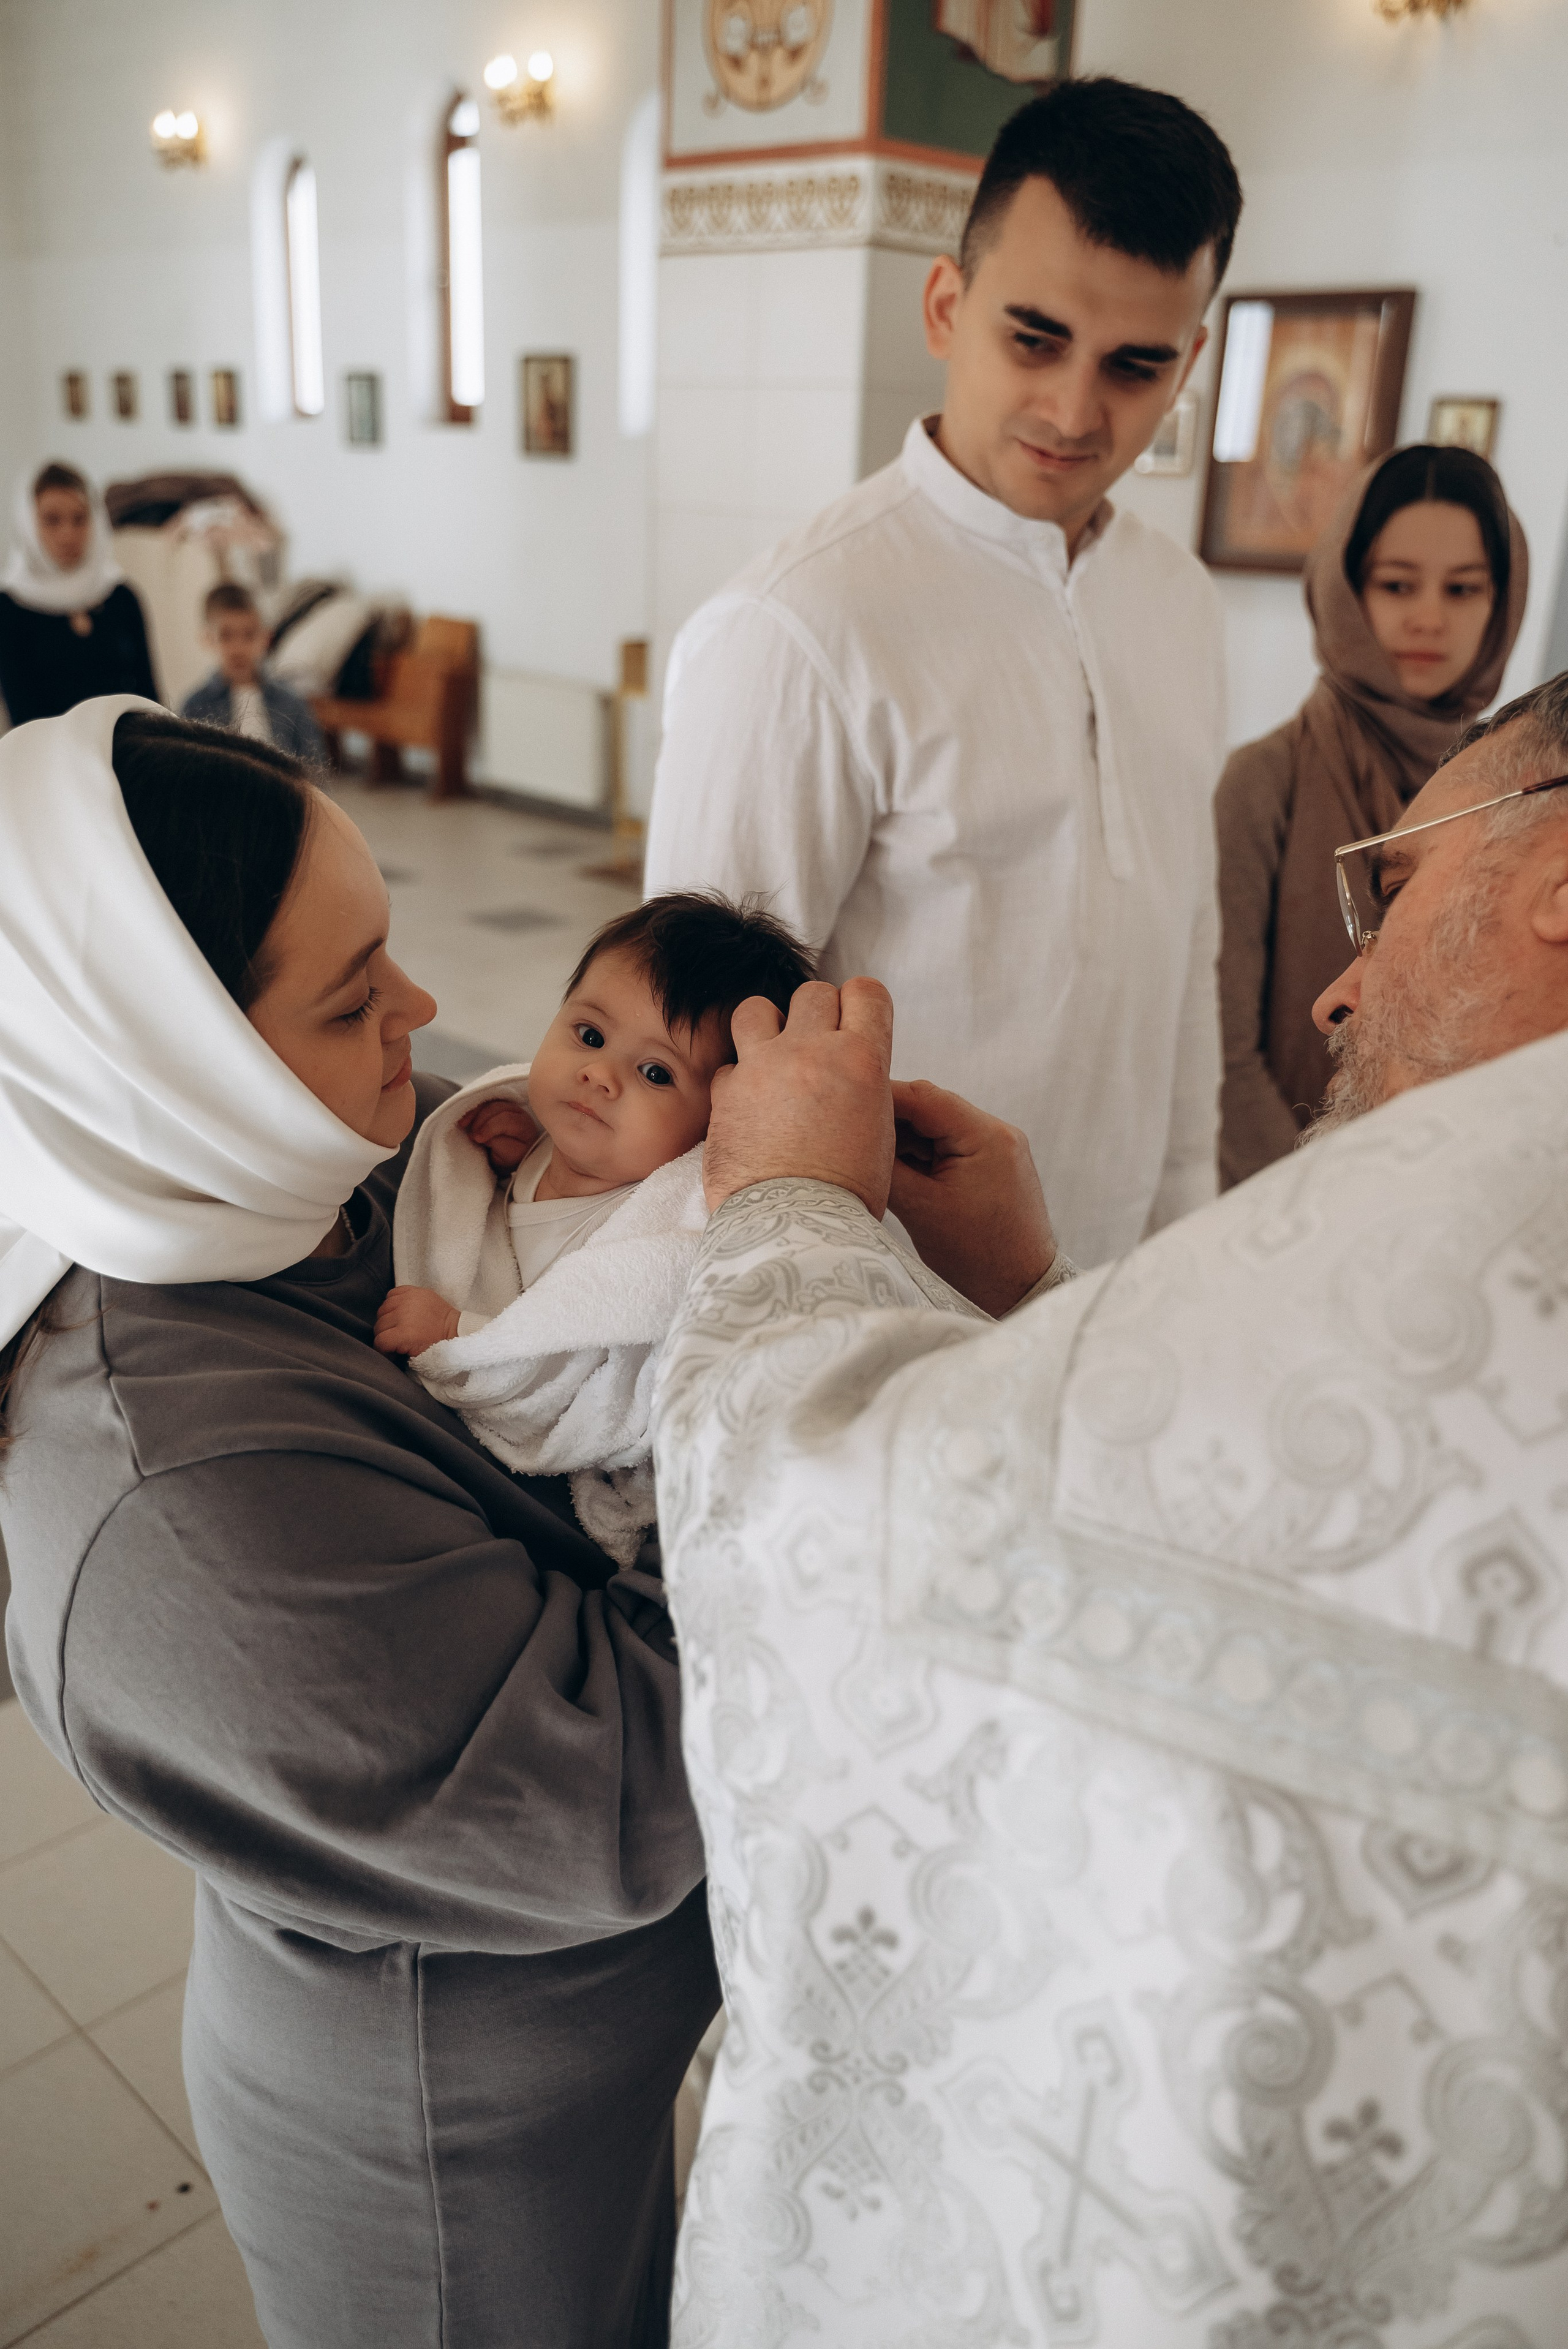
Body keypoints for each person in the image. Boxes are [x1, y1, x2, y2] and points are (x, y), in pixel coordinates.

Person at [647, 672, 1568, 2342]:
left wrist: (782, 1201)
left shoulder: (1481, 1223)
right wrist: (1043, 1299)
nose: (1340, 994)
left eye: (1400, 890)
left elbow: (832, 1532)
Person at [0, 699, 719, 2349]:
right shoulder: (176, 1504)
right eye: (350, 996)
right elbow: (627, 1786)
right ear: (169, 1068)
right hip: (454, 2149)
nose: (427, 1009)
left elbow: (570, 1217)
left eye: (387, 945)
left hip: (568, 2063)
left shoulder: (311, 1171)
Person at [644, 76, 1243, 1270]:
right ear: (943, 302)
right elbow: (690, 1052)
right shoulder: (798, 623)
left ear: (1188, 364)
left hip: (1112, 1282)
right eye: (1033, 339)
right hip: (874, 1300)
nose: (1073, 409)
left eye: (1133, 364)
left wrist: (1184, 1231)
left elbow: (1184, 951)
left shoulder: (1178, 605)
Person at [377, 894, 816, 1562]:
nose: (598, 1076)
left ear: (718, 1121)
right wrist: (522, 1151)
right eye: (589, 1035)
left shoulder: (654, 1232)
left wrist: (456, 1332)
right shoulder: (534, 1144)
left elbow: (580, 1351)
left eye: (654, 1073)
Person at [1216, 443, 1527, 1184]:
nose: (1427, 617)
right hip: (1277, 1192)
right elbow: (1221, 1050)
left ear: (1501, 604)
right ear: (1346, 592)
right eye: (1396, 585)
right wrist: (1318, 1194)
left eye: (1462, 590)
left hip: (1465, 1185)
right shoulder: (1264, 781)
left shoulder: (1526, 791)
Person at [0, 461, 157, 725]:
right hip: (49, 758)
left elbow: (150, 697)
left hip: (128, 754)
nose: (68, 534)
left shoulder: (121, 596)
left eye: (80, 519)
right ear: (28, 523)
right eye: (52, 520)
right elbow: (23, 715)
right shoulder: (10, 607)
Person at [181, 578, 327, 761]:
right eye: (226, 636)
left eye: (249, 635)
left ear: (266, 638)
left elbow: (315, 765)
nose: (238, 648)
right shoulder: (195, 707)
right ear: (208, 639)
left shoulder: (292, 703)